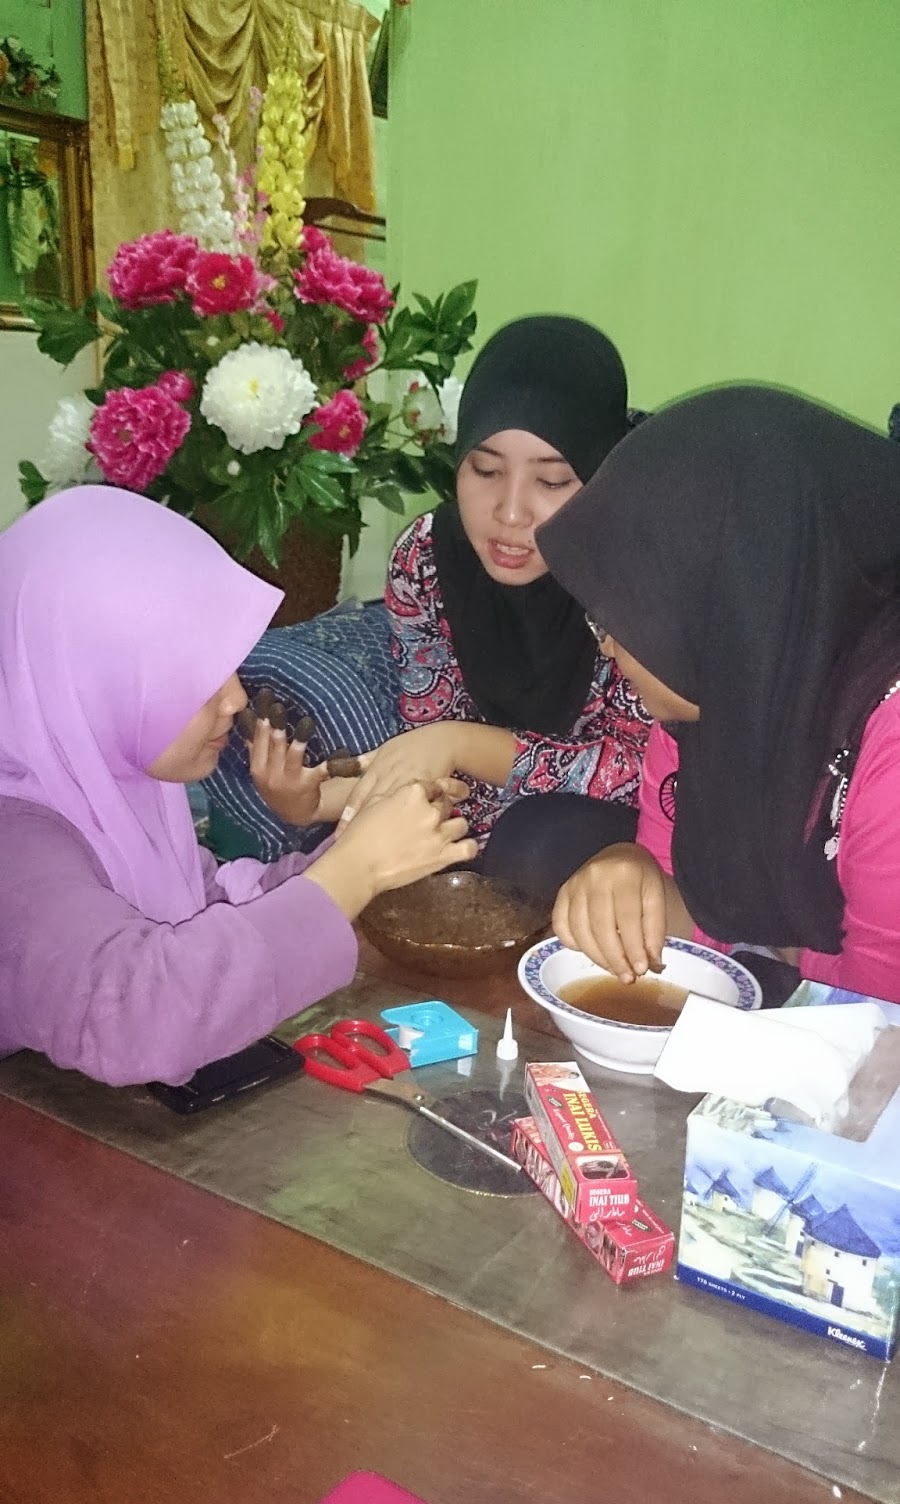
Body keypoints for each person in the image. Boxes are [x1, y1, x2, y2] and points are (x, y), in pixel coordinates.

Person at [0, 488, 475, 1088]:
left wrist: (369, 841)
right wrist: (355, 870)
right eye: (194, 678)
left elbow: (208, 911)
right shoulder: (15, 841)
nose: (235, 698)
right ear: (91, 682)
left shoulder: (111, 785)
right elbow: (133, 1018)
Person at [253, 316, 651, 906]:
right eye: (485, 470)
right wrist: (314, 804)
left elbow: (640, 771)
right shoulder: (426, 561)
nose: (509, 513)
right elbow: (432, 750)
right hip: (494, 806)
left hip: (626, 829)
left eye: (552, 481)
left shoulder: (641, 576)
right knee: (379, 862)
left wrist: (460, 744)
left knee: (531, 848)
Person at [537, 385, 900, 1004]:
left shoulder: (887, 743)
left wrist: (780, 951)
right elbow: (697, 922)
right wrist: (634, 875)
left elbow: (878, 1020)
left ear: (724, 609)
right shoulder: (708, 702)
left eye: (621, 620)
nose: (607, 648)